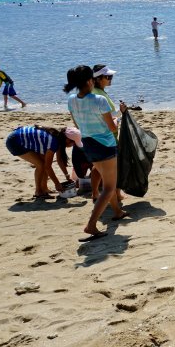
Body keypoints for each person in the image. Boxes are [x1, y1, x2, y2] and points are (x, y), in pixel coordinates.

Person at [65, 65, 128, 241]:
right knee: (109, 187)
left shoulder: (71, 99)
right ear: (89, 81)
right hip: (105, 145)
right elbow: (112, 127)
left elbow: (77, 125)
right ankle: (91, 225)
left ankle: (117, 211)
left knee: (107, 181)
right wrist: (118, 118)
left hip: (88, 144)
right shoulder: (99, 100)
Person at [5, 125, 81, 198]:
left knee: (43, 163)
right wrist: (57, 183)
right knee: (41, 165)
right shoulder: (53, 142)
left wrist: (67, 177)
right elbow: (48, 167)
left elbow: (60, 160)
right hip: (15, 141)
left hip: (22, 138)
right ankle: (38, 192)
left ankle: (44, 189)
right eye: (74, 143)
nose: (74, 145)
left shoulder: (59, 138)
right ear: (67, 139)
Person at [90, 65, 121, 202]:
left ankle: (95, 193)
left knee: (98, 167)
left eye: (111, 76)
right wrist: (119, 117)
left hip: (96, 136)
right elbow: (108, 117)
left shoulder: (96, 91)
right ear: (98, 79)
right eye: (108, 77)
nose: (110, 79)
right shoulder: (99, 95)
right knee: (113, 168)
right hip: (108, 136)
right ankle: (117, 196)